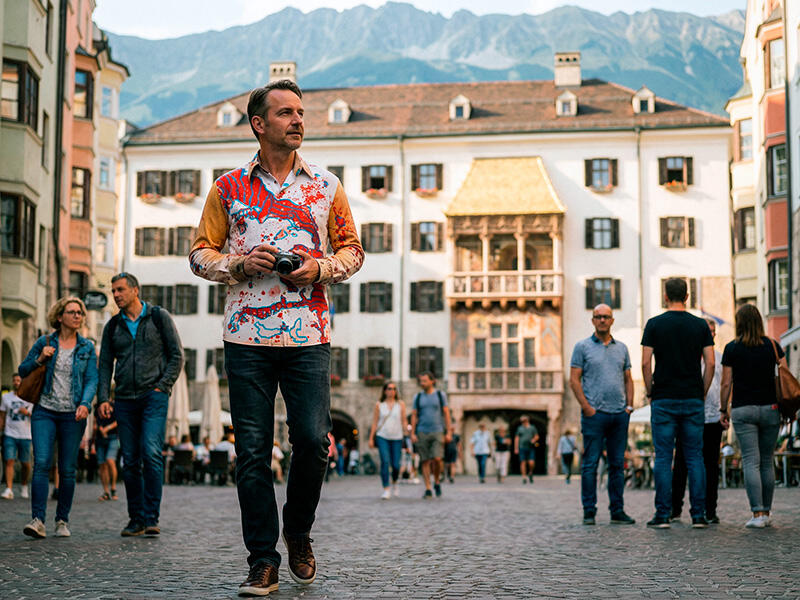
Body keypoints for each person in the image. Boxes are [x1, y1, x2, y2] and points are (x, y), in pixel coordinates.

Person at [189, 78, 364, 595]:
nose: (298, 120)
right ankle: (262, 559)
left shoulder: (327, 186)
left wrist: (320, 268)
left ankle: (299, 532)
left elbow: (353, 251)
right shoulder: (227, 187)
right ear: (259, 124)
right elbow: (200, 253)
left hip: (310, 333)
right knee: (251, 453)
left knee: (314, 442)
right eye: (286, 113)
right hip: (246, 335)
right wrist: (239, 263)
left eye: (301, 112)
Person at [97, 272, 184, 538]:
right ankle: (135, 519)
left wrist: (162, 386)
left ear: (135, 290)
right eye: (113, 291)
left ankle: (151, 517)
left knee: (151, 452)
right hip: (123, 399)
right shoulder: (112, 326)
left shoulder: (158, 317)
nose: (116, 295)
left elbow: (176, 356)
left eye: (120, 289)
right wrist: (102, 398)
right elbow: (104, 366)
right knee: (130, 460)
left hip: (153, 396)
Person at [19, 297, 97, 538]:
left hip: (72, 415)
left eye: (80, 313)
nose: (77, 316)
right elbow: (23, 371)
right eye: (72, 312)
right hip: (45, 410)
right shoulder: (45, 342)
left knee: (67, 469)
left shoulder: (86, 347)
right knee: (41, 463)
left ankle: (62, 520)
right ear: (60, 316)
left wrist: (85, 403)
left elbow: (92, 379)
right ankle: (37, 520)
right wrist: (40, 358)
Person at [641, 277, 715, 529]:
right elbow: (711, 362)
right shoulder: (700, 326)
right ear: (686, 296)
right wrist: (702, 390)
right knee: (695, 457)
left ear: (665, 296)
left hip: (663, 397)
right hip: (692, 397)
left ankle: (663, 514)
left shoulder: (654, 324)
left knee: (663, 458)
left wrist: (651, 391)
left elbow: (644, 362)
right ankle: (698, 515)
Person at [720, 304, 785, 528]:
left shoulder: (732, 348)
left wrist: (722, 409)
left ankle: (757, 514)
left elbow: (726, 382)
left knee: (750, 460)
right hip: (770, 408)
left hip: (743, 408)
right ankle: (766, 513)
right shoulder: (773, 346)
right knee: (767, 461)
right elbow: (783, 378)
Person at [570, 303, 635, 525]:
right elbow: (574, 380)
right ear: (593, 320)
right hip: (594, 415)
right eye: (598, 317)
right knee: (590, 464)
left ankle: (617, 510)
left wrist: (629, 407)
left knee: (617, 465)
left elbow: (628, 378)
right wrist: (587, 407)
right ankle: (589, 511)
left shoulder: (622, 348)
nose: (602, 320)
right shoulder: (582, 347)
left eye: (606, 317)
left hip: (618, 414)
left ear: (612, 320)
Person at [671, 318, 724, 523]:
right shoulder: (688, 358)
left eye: (712, 331)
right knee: (682, 464)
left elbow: (726, 386)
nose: (709, 334)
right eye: (706, 331)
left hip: (712, 418)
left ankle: (709, 510)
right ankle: (676, 509)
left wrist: (723, 411)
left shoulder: (719, 359)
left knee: (711, 466)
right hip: (688, 417)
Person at [410, 372, 453, 499]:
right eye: (421, 381)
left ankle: (437, 481)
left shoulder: (440, 395)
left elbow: (446, 414)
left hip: (437, 430)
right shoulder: (417, 397)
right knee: (425, 460)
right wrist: (412, 433)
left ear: (432, 381)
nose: (422, 383)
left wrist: (449, 431)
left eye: (424, 381)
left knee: (437, 458)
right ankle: (428, 488)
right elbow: (414, 415)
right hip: (422, 431)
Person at [368, 381, 408, 499]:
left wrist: (407, 430)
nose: (392, 391)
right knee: (385, 462)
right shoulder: (379, 405)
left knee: (396, 465)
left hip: (397, 437)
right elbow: (375, 423)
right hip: (382, 436)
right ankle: (386, 488)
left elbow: (404, 420)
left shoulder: (400, 404)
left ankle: (395, 482)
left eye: (394, 389)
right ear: (385, 391)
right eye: (389, 388)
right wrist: (371, 438)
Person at [1, 374, 33, 500]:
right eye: (14, 380)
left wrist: (27, 412)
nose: (16, 382)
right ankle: (9, 489)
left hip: (25, 434)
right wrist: (1, 428)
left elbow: (36, 414)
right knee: (9, 460)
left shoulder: (30, 397)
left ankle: (24, 485)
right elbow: (2, 415)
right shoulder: (6, 397)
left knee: (25, 464)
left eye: (19, 380)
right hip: (10, 433)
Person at [94, 398, 119, 501]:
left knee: (110, 460)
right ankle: (106, 491)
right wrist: (100, 429)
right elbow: (96, 421)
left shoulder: (116, 405)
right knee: (102, 464)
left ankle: (113, 488)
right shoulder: (97, 406)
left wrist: (107, 429)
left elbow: (118, 421)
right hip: (100, 438)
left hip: (113, 437)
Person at [514, 416, 539, 484]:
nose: (523, 422)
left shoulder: (532, 427)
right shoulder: (520, 428)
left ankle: (530, 472)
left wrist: (533, 440)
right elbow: (517, 438)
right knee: (523, 462)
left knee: (531, 462)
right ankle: (524, 477)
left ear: (527, 420)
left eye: (524, 420)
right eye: (522, 421)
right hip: (522, 447)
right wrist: (516, 448)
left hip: (530, 447)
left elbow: (537, 436)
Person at [443, 420, 460, 484]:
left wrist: (459, 452)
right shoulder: (445, 435)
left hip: (453, 451)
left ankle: (452, 477)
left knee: (452, 464)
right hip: (447, 451)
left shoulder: (456, 436)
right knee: (447, 465)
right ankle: (449, 475)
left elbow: (459, 444)